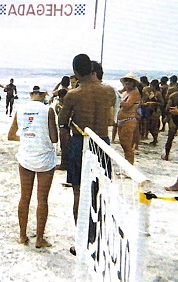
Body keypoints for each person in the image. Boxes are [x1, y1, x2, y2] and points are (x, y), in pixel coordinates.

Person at [57, 54, 115, 255]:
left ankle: (83, 240)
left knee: (79, 193)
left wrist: (64, 156)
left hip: (80, 143)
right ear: (92, 69)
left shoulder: (74, 94)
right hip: (103, 144)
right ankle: (99, 238)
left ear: (75, 72)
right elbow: (110, 121)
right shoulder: (110, 91)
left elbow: (62, 124)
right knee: (100, 193)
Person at [8, 85, 58, 248]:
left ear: (31, 94)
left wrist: (27, 139)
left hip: (26, 157)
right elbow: (54, 138)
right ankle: (39, 239)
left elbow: (11, 135)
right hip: (44, 158)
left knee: (25, 197)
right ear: (44, 94)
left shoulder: (20, 109)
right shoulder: (48, 110)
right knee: (42, 199)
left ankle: (22, 236)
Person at [117, 73, 141, 164]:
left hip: (129, 119)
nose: (127, 83)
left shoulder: (134, 93)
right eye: (126, 81)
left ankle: (130, 166)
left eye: (130, 81)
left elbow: (127, 105)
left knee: (127, 146)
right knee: (123, 145)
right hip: (122, 120)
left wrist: (117, 99)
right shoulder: (125, 92)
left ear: (134, 83)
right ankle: (127, 165)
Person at [162, 79, 178, 161]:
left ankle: (166, 155)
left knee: (170, 137)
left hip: (174, 117)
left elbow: (167, 108)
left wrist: (167, 117)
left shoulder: (173, 95)